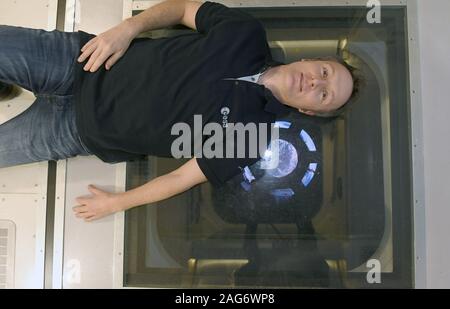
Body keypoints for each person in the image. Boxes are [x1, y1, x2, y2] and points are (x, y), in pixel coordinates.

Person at [0, 0, 357, 221]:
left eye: (325, 95)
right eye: (324, 73)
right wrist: (128, 28)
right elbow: (185, 8)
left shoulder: (251, 139)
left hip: (75, 131)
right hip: (80, 60)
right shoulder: (246, 33)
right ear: (312, 59)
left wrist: (116, 204)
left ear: (310, 111)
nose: (315, 84)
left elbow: (179, 179)